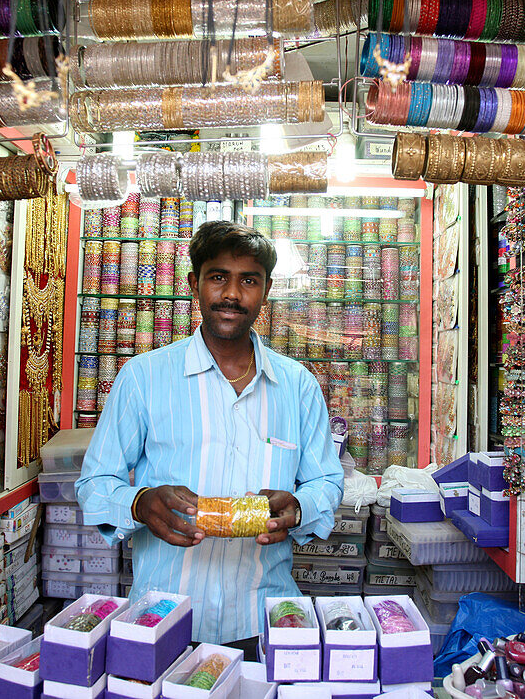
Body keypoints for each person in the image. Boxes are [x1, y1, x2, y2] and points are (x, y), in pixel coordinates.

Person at [76, 220, 344, 655]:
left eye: (248, 281)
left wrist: (299, 507)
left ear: (266, 290)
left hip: (263, 618)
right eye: (218, 277)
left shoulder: (298, 386)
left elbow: (327, 483)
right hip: (164, 616)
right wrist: (140, 503)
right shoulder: (144, 378)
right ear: (194, 284)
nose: (232, 295)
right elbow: (93, 485)